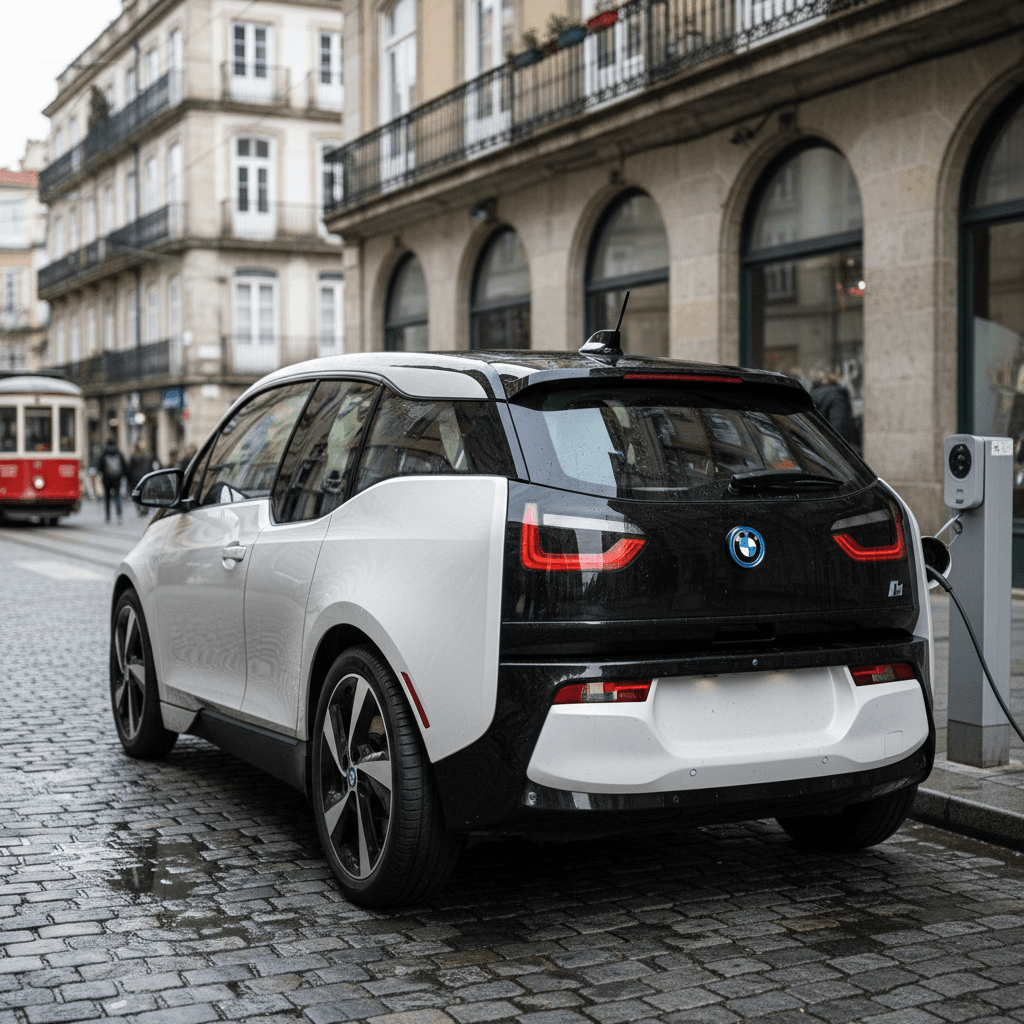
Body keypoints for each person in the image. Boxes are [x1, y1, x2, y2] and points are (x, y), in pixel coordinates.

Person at [95, 435, 128, 522]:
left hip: (106, 478)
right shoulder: (119, 452)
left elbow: (99, 466)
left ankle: (108, 516)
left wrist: (101, 473)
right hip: (117, 477)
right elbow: (124, 466)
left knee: (107, 497)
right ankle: (119, 515)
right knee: (117, 496)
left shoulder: (104, 453)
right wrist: (124, 475)